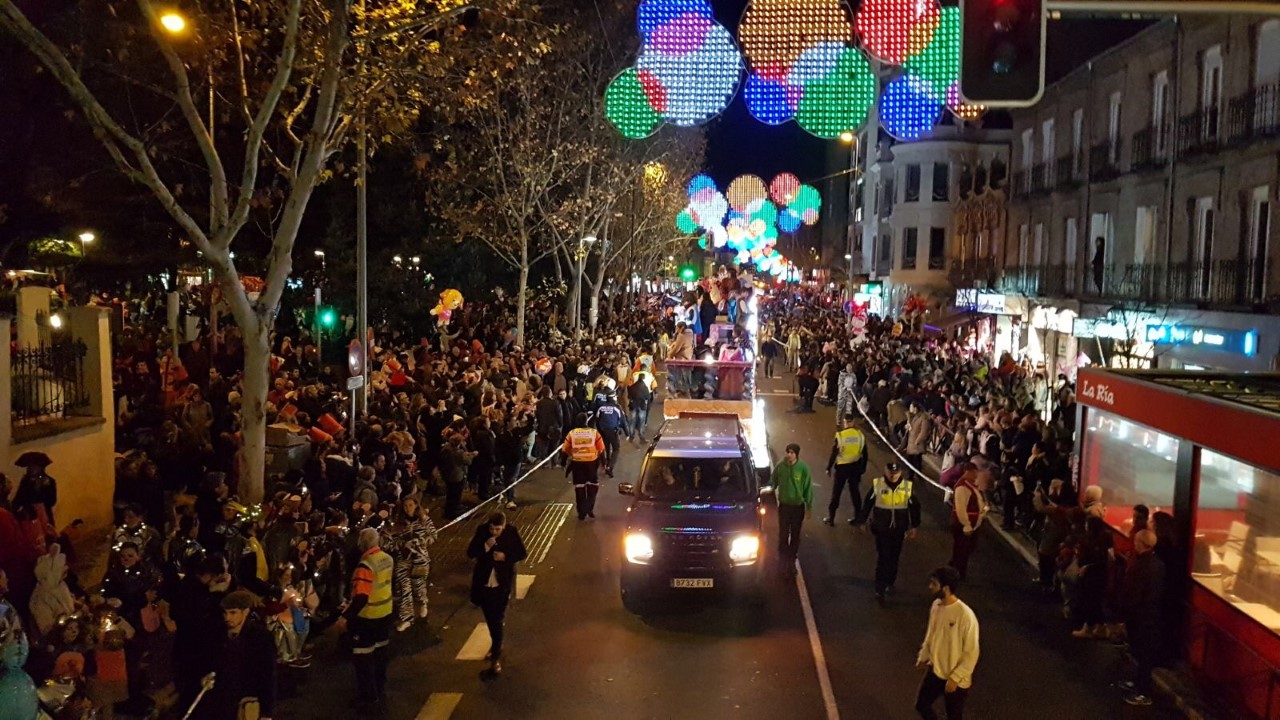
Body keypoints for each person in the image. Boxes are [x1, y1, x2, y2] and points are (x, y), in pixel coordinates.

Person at [195, 590, 277, 720]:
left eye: (233, 613)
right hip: (222, 700)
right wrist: (206, 675)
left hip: (246, 699)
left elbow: (267, 674)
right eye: (225, 613)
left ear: (245, 612)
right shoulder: (218, 633)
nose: (227, 618)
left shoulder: (261, 638)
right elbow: (211, 660)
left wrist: (266, 712)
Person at [337, 527, 395, 710]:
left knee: (363, 657)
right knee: (380, 654)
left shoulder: (365, 566)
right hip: (385, 613)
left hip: (367, 617)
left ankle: (368, 697)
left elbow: (362, 596)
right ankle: (379, 688)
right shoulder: (387, 558)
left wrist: (346, 616)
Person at [914, 567, 980, 720]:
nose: (930, 587)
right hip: (936, 670)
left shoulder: (965, 616)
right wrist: (923, 656)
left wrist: (955, 677)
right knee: (922, 705)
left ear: (946, 588)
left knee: (954, 716)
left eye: (934, 584)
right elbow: (931, 635)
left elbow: (972, 652)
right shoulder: (936, 606)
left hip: (955, 679)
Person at [467, 511, 527, 677]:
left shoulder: (511, 532)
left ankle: (495, 658)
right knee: (490, 619)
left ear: (504, 526)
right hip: (485, 584)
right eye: (492, 529)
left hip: (502, 585)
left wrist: (505, 557)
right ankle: (496, 647)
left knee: (497, 620)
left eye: (498, 529)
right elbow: (471, 552)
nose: (494, 532)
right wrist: (485, 546)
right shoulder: (482, 532)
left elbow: (522, 553)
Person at [855, 462, 922, 604]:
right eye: (891, 473)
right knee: (883, 557)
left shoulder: (907, 487)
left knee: (894, 557)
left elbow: (915, 508)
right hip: (881, 529)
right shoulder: (878, 485)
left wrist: (914, 526)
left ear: (900, 473)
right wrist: (862, 521)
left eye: (896, 473)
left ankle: (890, 581)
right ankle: (880, 588)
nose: (893, 475)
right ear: (885, 471)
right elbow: (868, 504)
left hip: (899, 530)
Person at [1117, 529, 1166, 707]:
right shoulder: (1157, 564)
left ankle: (1143, 692)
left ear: (1141, 544)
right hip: (1147, 617)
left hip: (1141, 618)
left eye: (1136, 541)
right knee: (1140, 652)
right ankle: (1137, 682)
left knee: (1143, 654)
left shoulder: (1142, 566)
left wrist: (1123, 614)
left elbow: (1134, 595)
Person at [386, 495, 437, 632]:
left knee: (418, 586)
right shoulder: (398, 524)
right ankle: (406, 618)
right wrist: (403, 544)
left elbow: (433, 535)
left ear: (416, 505)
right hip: (403, 560)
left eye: (410, 505)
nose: (408, 508)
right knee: (404, 589)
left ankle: (422, 604)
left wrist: (423, 540)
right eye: (405, 506)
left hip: (420, 560)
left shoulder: (424, 520)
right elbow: (390, 543)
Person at [770, 443, 813, 579]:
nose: (789, 454)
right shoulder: (780, 467)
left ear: (796, 454)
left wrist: (809, 506)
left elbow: (808, 488)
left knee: (795, 535)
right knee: (783, 534)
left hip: (797, 507)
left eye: (792, 452)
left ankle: (791, 562)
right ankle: (783, 562)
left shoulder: (803, 468)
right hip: (784, 506)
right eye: (788, 452)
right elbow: (773, 482)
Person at [823, 415, 867, 526]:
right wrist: (862, 468)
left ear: (845, 422)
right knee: (855, 493)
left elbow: (834, 453)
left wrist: (829, 467)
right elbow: (865, 454)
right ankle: (857, 518)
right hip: (855, 467)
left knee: (836, 493)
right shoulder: (860, 435)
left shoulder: (841, 436)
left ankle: (831, 518)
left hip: (842, 468)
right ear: (853, 422)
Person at [949, 469, 991, 580]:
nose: (976, 475)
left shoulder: (971, 486)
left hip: (973, 525)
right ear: (968, 472)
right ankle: (958, 572)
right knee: (962, 549)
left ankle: (954, 567)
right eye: (974, 472)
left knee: (966, 548)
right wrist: (966, 524)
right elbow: (960, 508)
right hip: (964, 526)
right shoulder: (962, 487)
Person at [562, 414, 606, 521]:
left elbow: (565, 450)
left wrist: (563, 463)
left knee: (580, 488)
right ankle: (589, 508)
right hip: (591, 463)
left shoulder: (572, 434)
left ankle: (581, 512)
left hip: (577, 464)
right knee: (593, 486)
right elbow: (601, 449)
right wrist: (604, 463)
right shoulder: (594, 433)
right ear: (586, 421)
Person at [594, 395, 628, 477]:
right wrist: (627, 433)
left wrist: (600, 430)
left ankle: (605, 463)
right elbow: (623, 421)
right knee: (616, 449)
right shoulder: (617, 408)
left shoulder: (601, 408)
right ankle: (609, 467)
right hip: (613, 431)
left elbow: (597, 420)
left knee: (605, 447)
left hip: (603, 430)